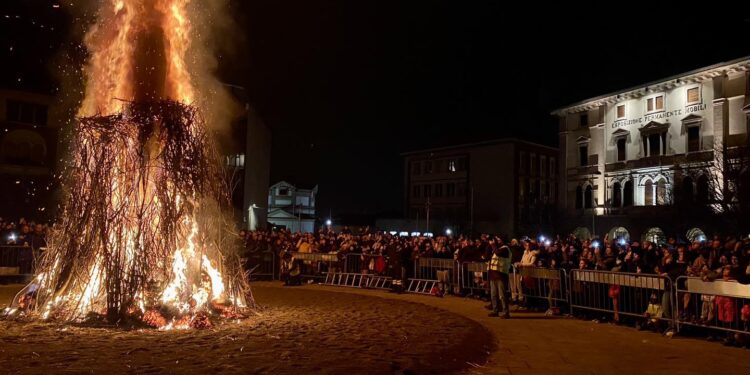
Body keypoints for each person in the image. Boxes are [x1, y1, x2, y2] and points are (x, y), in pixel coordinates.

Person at [487, 239, 511, 318]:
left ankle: (506, 312)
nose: (496, 242)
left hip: (501, 275)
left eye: (498, 240)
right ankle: (495, 310)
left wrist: (493, 245)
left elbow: (498, 253)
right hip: (494, 275)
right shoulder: (496, 249)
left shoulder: (505, 249)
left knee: (502, 295)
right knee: (493, 294)